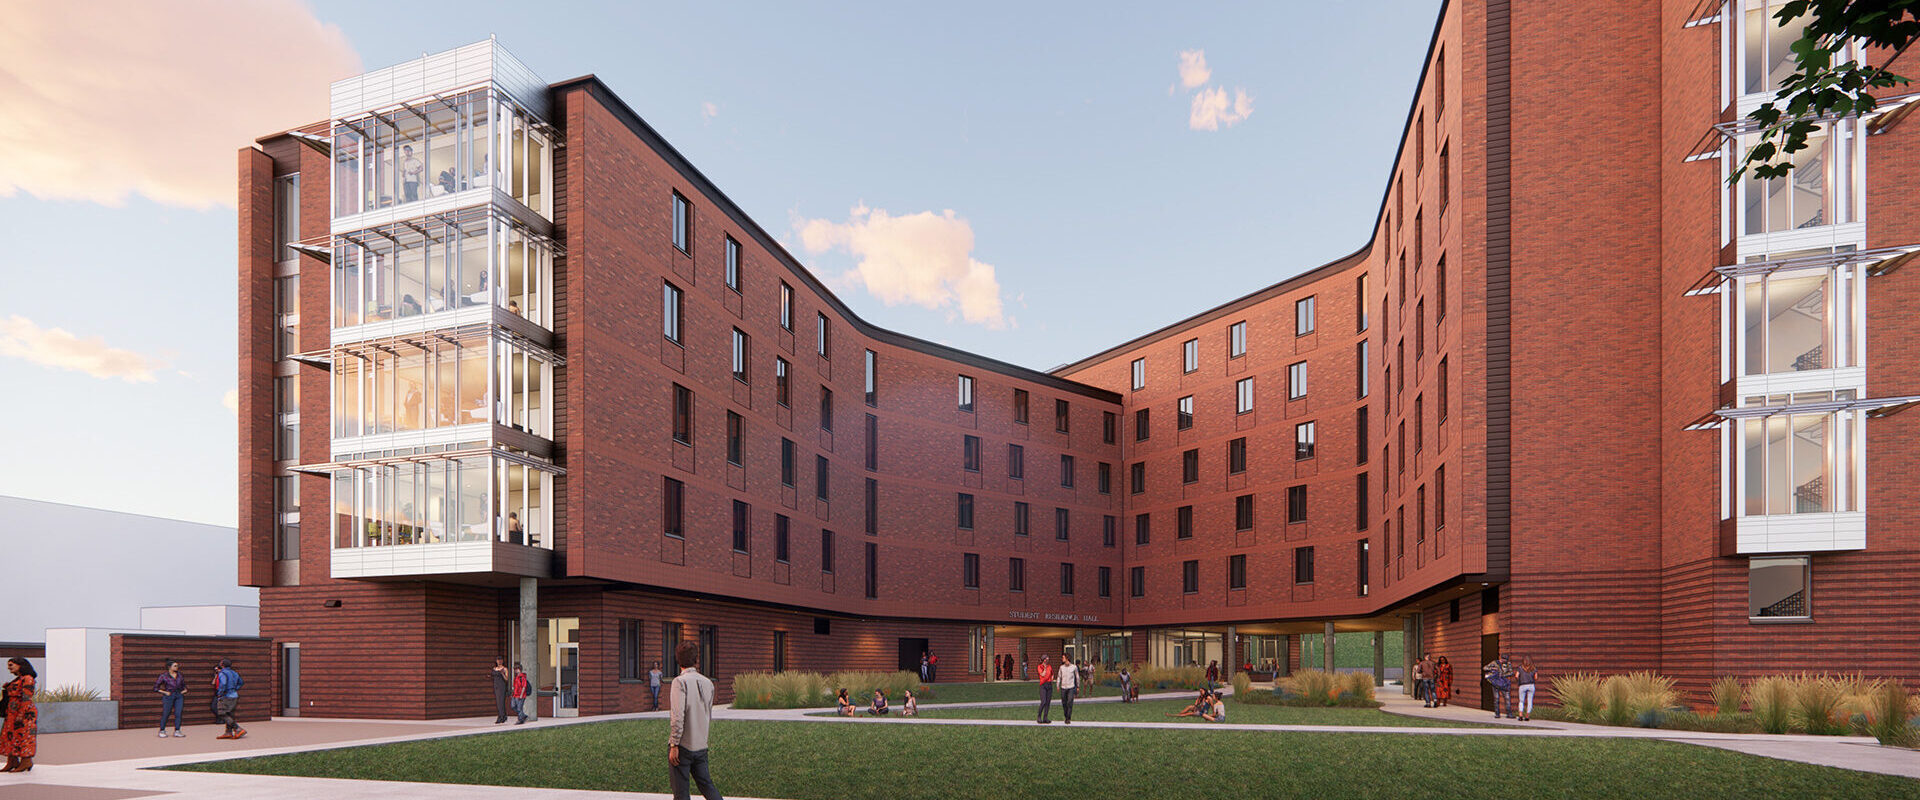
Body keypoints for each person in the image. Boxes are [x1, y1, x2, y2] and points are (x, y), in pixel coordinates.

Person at [666, 639, 721, 800]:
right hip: (701, 746)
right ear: (696, 659)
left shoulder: (679, 682)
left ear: (677, 659)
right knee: (707, 786)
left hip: (683, 746)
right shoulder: (708, 683)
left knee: (681, 793)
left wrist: (674, 744)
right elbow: (707, 715)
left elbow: (678, 715)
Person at [1, 657, 36, 772]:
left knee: (24, 735)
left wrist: (21, 713)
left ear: (20, 665)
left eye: (11, 665)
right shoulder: (18, 679)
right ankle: (12, 760)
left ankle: (26, 761)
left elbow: (26, 696)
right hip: (12, 711)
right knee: (10, 734)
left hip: (24, 712)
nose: (8, 668)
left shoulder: (27, 679)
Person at [153, 659, 188, 738]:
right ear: (169, 667)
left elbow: (183, 685)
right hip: (169, 696)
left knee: (178, 713)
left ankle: (177, 731)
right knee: (166, 713)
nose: (177, 667)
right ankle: (162, 730)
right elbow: (156, 687)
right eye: (175, 666)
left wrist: (184, 690)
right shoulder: (164, 676)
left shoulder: (180, 675)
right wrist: (165, 692)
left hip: (179, 696)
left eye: (177, 666)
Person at [213, 658, 245, 740]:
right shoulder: (234, 673)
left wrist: (220, 693)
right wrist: (234, 689)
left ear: (222, 665)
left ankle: (238, 729)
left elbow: (223, 683)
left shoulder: (222, 673)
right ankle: (228, 732)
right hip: (234, 695)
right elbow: (241, 682)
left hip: (226, 696)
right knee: (229, 714)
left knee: (221, 713)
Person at [1483, 654, 1515, 719]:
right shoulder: (1494, 663)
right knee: (1496, 698)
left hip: (1503, 683)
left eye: (1505, 660)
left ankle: (1509, 714)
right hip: (1495, 683)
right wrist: (1492, 668)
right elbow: (1485, 668)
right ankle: (1497, 714)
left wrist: (1503, 675)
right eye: (1503, 660)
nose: (1504, 661)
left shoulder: (1508, 664)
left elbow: (1511, 672)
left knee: (1507, 698)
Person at [1057, 653, 1079, 724]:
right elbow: (1059, 677)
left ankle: (1068, 718)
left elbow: (1077, 677)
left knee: (1069, 702)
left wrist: (1078, 686)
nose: (1062, 659)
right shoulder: (1061, 667)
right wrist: (1058, 685)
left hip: (1071, 687)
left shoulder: (1074, 667)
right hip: (1063, 687)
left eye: (1063, 657)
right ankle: (1066, 715)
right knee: (1064, 703)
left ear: (1067, 658)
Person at [1515, 658, 1538, 722]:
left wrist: (1519, 680)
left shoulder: (1520, 668)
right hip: (1531, 685)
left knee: (1521, 701)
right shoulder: (1533, 668)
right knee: (1530, 701)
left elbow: (1516, 676)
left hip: (1522, 685)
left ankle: (1520, 715)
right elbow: (1536, 677)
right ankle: (1527, 716)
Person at [1034, 655, 1055, 724]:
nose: (1048, 660)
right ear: (1044, 660)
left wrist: (1052, 678)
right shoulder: (1040, 667)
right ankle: (1039, 716)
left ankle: (1045, 718)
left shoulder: (1050, 666)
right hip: (1043, 685)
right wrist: (1045, 668)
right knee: (1043, 701)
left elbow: (1052, 674)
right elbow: (1042, 674)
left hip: (1049, 685)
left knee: (1048, 702)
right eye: (1046, 659)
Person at [491, 657, 512, 724]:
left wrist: (502, 673)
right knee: (498, 702)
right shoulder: (494, 668)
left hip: (502, 686)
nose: (499, 661)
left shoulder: (505, 669)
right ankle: (502, 715)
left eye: (500, 660)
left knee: (501, 702)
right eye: (498, 660)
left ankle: (501, 716)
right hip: (496, 686)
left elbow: (506, 679)